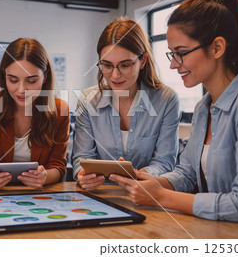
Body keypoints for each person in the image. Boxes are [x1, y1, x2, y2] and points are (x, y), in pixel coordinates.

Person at [110, 0, 238, 232]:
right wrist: (156, 182)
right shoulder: (204, 107)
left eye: (180, 53)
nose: (173, 65)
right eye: (172, 54)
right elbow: (189, 172)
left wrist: (162, 196)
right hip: (220, 231)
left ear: (217, 48)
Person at [72, 17, 180, 191]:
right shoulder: (87, 100)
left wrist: (138, 176)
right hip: (100, 194)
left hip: (147, 194)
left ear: (143, 61)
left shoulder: (166, 100)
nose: (115, 75)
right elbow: (81, 157)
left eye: (125, 65)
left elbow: (164, 162)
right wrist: (82, 175)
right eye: (106, 65)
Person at [0, 38, 69, 189]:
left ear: (45, 76)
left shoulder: (60, 110)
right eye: (13, 80)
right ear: (4, 76)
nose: (21, 89)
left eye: (31, 81)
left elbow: (58, 165)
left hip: (38, 194)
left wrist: (45, 177)